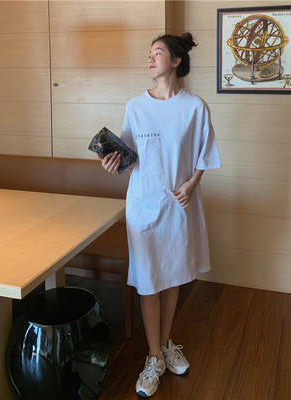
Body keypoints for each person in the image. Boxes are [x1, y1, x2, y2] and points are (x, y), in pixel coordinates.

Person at [98, 32, 221, 397]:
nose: (150, 59)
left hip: (178, 207)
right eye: (149, 54)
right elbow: (127, 154)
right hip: (142, 206)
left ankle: (165, 345)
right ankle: (154, 357)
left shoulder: (195, 108)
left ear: (176, 60)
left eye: (158, 53)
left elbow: (204, 154)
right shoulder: (136, 106)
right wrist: (112, 161)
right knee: (149, 280)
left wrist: (193, 184)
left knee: (172, 278)